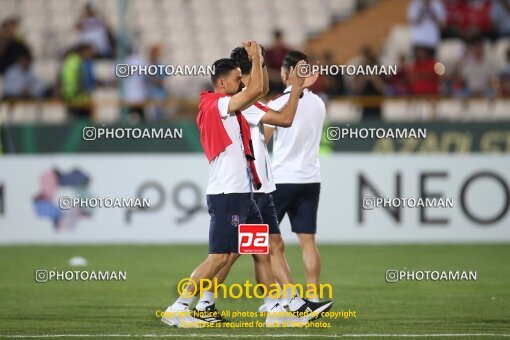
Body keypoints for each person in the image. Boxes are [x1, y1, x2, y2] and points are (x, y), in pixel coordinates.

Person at [162, 41, 305, 328]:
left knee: (262, 249)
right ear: (221, 82)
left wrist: (259, 58)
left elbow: (258, 90)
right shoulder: (218, 104)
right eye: (237, 79)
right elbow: (257, 91)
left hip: (245, 193)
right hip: (228, 192)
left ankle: (275, 309)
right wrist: (255, 56)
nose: (241, 83)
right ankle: (178, 307)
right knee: (218, 257)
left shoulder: (230, 104)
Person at [193, 46, 332, 322]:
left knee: (268, 247)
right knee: (234, 253)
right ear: (241, 79)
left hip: (260, 186)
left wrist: (260, 60)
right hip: (252, 188)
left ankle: (278, 303)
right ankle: (204, 301)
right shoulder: (243, 105)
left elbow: (262, 89)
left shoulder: (247, 102)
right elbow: (284, 118)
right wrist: (293, 86)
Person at [264, 50, 326, 303]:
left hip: (281, 179)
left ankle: (279, 298)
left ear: (286, 73)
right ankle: (312, 296)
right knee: (308, 240)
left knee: (268, 243)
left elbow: (262, 141)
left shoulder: (277, 103)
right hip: (310, 178)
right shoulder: (319, 103)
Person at [60, 43, 96, 118]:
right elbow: (78, 82)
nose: (92, 55)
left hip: (71, 98)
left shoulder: (71, 60)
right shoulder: (76, 62)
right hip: (76, 99)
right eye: (90, 52)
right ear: (85, 51)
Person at [265, 29, 290, 94]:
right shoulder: (268, 52)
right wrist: (273, 75)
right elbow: (265, 67)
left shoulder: (286, 51)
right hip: (272, 77)